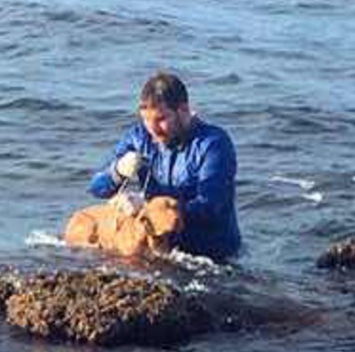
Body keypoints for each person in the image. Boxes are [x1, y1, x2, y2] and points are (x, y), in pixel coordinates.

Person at [88, 71, 241, 260]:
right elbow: (96, 188)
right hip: (158, 246)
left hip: (210, 251)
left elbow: (211, 207)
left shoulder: (213, 143)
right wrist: (118, 172)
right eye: (146, 119)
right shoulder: (138, 137)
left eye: (161, 119)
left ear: (183, 111)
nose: (153, 128)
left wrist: (148, 208)